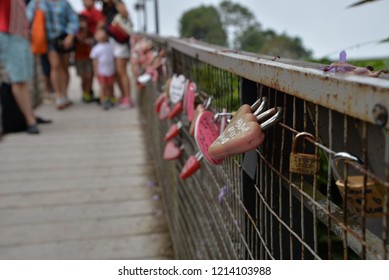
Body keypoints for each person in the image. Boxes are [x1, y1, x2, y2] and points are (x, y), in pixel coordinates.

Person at [27, 0, 79, 110]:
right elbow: (27, 18)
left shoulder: (64, 3)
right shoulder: (37, 3)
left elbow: (74, 20)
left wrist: (70, 36)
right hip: (48, 40)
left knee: (65, 67)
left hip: (63, 39)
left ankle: (65, 94)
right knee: (55, 66)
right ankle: (59, 95)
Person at [0, 0, 39, 134]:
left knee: (23, 79)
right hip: (9, 33)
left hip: (20, 34)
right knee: (18, 80)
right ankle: (29, 120)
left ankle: (29, 115)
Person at [101, 0, 134, 109]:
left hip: (121, 42)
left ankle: (128, 98)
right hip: (111, 42)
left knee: (121, 71)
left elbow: (125, 14)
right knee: (116, 72)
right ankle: (123, 96)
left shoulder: (118, 4)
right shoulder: (106, 6)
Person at [75, 0, 105, 103]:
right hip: (80, 51)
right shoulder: (81, 15)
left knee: (90, 74)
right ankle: (86, 92)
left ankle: (88, 93)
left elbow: (101, 29)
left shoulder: (98, 14)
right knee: (84, 75)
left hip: (92, 51)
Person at [90, 29, 115, 110]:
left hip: (110, 71)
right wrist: (95, 71)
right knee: (103, 86)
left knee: (110, 86)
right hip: (101, 71)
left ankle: (109, 98)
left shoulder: (110, 46)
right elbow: (94, 61)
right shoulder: (96, 48)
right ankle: (103, 100)